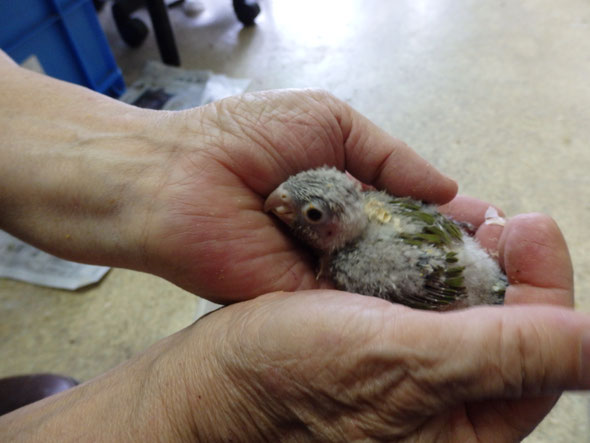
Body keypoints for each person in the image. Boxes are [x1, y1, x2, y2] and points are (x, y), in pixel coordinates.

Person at [0, 49, 588, 441]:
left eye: (307, 213)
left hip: (467, 287)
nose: (280, 208)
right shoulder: (379, 209)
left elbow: (439, 274)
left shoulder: (357, 263)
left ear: (337, 221)